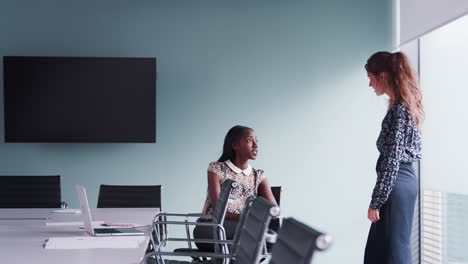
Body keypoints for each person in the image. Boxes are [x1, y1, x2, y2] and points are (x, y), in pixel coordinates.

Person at [364, 51, 424, 264]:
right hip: (401, 182)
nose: (370, 85)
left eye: (371, 78)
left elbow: (392, 159)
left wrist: (376, 201)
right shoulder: (402, 106)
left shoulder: (400, 110)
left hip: (396, 184)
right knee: (390, 249)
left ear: (383, 76)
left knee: (390, 251)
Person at [193, 125, 277, 251]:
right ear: (235, 145)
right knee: (254, 237)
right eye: (249, 141)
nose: (256, 145)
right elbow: (219, 210)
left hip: (244, 227)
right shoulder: (216, 169)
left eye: (256, 141)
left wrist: (256, 215)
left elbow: (274, 209)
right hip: (211, 227)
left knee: (265, 237)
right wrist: (248, 216)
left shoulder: (258, 175)